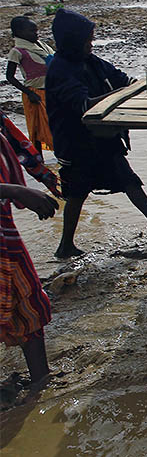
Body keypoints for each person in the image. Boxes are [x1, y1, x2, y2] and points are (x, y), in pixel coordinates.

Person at [45, 8, 147, 258]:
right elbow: (84, 104)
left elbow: (123, 80)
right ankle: (65, 246)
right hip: (76, 143)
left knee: (130, 182)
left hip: (103, 138)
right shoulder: (61, 70)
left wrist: (145, 86)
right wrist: (120, 94)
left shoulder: (91, 62)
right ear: (72, 40)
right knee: (76, 193)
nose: (91, 43)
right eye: (87, 39)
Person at [1, 116, 59, 386]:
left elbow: (19, 146)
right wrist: (17, 191)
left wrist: (44, 180)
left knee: (27, 301)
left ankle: (41, 379)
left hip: (4, 232)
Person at [6, 16, 54, 152]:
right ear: (19, 32)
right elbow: (10, 77)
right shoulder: (17, 52)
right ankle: (39, 161)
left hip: (51, 91)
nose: (36, 33)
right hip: (36, 94)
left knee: (55, 126)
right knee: (38, 130)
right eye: (32, 31)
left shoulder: (42, 46)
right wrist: (29, 93)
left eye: (36, 30)